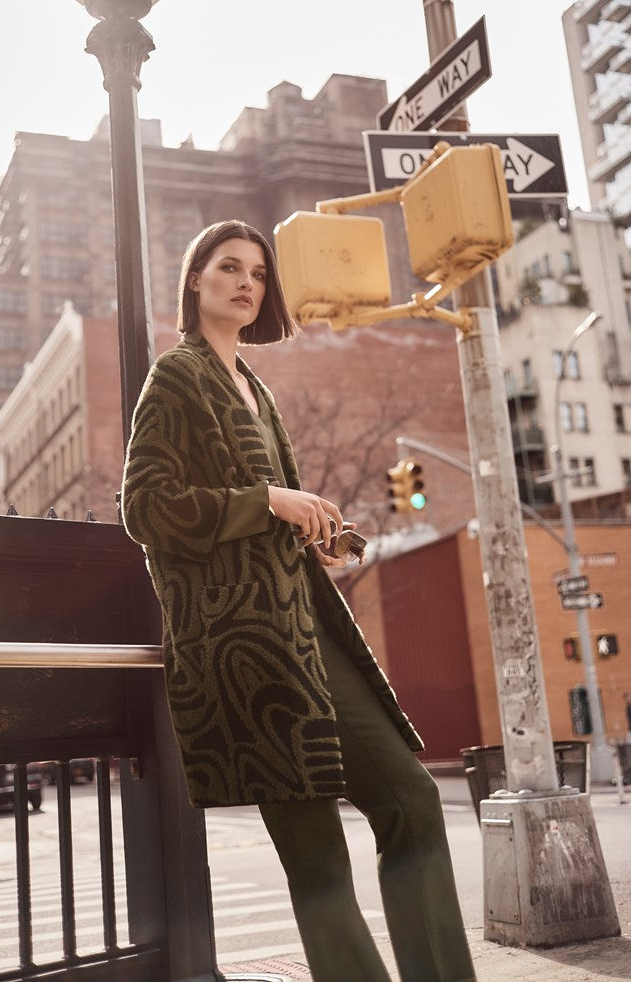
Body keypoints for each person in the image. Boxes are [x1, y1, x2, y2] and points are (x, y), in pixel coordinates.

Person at [122, 219, 475, 982]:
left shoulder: (257, 385)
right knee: (318, 857)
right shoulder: (174, 376)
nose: (247, 281)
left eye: (257, 271)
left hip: (309, 632)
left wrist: (316, 531)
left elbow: (268, 509)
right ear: (195, 280)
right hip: (243, 648)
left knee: (411, 798)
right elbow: (144, 507)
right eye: (228, 267)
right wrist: (269, 501)